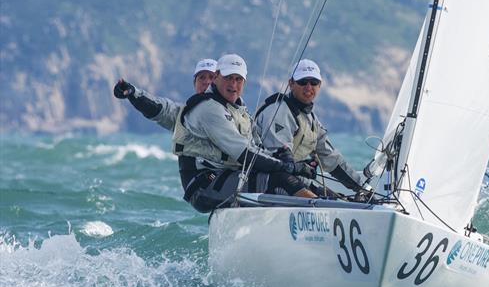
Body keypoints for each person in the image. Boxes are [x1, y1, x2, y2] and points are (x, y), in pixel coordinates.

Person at [172, 54, 316, 212]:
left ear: (244, 82)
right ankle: (320, 210)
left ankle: (332, 202)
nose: (233, 84)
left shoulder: (239, 111)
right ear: (216, 77)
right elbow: (245, 154)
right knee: (282, 180)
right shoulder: (209, 108)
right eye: (228, 78)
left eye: (238, 79)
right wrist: (289, 167)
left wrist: (284, 158)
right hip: (204, 186)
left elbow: (258, 149)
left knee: (301, 181)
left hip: (226, 176)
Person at [253, 59, 370, 198]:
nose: (308, 87)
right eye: (303, 82)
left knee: (338, 199)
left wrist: (362, 189)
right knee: (324, 202)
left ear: (319, 85)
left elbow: (331, 159)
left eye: (313, 82)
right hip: (265, 181)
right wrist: (303, 167)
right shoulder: (279, 110)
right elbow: (280, 160)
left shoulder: (311, 120)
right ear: (291, 84)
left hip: (291, 180)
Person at [113, 59, 218, 131]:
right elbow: (158, 108)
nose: (207, 82)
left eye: (212, 77)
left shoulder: (232, 114)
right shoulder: (184, 117)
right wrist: (133, 93)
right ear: (194, 84)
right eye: (202, 78)